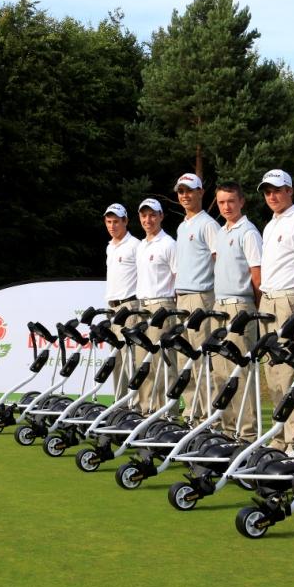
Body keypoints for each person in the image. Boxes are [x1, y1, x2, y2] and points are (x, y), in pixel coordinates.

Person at [257, 169, 294, 455]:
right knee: (273, 374)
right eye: (268, 191)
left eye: (277, 190)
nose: (272, 195)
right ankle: (279, 437)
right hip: (268, 301)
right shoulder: (270, 225)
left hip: (291, 300)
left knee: (293, 372)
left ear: (290, 190)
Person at [211, 182, 263, 439]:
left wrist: (255, 308)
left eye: (231, 201)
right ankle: (229, 429)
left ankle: (247, 433)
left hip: (240, 306)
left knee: (239, 371)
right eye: (221, 202)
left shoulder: (249, 231)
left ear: (242, 201)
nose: (226, 206)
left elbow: (257, 274)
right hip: (220, 306)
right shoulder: (221, 232)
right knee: (221, 372)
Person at [173, 173, 221, 423]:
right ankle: (192, 411)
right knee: (185, 359)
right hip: (182, 299)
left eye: (189, 191)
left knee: (203, 360)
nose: (185, 196)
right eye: (181, 191)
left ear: (201, 192)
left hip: (202, 298)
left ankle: (208, 415)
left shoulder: (208, 224)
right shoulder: (182, 226)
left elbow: (219, 259)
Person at [134, 198, 178, 414]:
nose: (148, 220)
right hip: (143, 307)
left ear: (161, 216)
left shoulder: (169, 244)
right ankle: (147, 410)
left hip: (162, 306)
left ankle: (166, 413)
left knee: (163, 362)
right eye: (144, 215)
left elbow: (178, 278)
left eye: (152, 215)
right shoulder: (142, 245)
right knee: (145, 363)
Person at [103, 203, 141, 399]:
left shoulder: (135, 245)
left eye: (116, 221)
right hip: (112, 308)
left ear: (125, 221)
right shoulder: (110, 246)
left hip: (130, 305)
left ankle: (135, 404)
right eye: (109, 222)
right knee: (116, 359)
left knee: (130, 359)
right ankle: (121, 405)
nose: (112, 226)